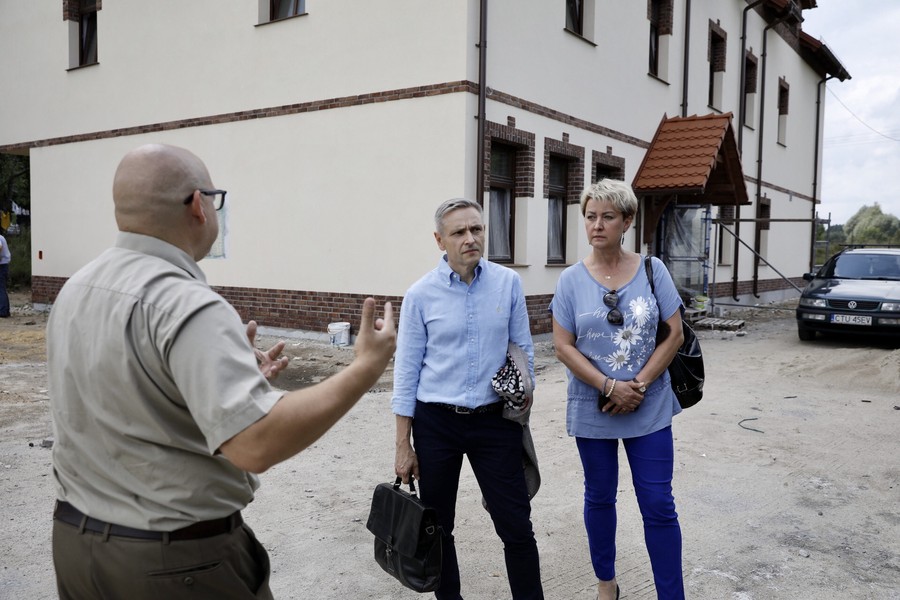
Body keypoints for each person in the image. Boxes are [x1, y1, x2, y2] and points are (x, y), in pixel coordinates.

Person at [47, 143, 396, 600]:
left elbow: (126, 401)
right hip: (171, 566)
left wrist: (228, 383)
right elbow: (255, 445)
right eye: (215, 198)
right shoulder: (183, 302)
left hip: (78, 549)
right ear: (197, 205)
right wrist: (365, 367)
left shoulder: (78, 287)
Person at [392, 198, 544, 600]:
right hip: (436, 424)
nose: (471, 238)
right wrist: (402, 444)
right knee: (439, 527)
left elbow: (523, 350)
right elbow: (406, 374)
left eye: (476, 229)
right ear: (440, 240)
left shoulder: (508, 284)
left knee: (516, 525)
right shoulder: (420, 295)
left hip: (495, 422)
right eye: (459, 232)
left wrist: (520, 395)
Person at [549, 179, 686, 600]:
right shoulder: (571, 281)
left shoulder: (652, 270)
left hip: (649, 404)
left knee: (658, 504)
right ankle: (606, 583)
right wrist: (609, 385)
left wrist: (637, 386)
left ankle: (671, 594)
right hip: (594, 406)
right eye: (591, 216)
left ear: (627, 220)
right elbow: (562, 345)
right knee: (600, 499)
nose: (597, 225)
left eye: (608, 217)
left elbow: (675, 334)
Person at [0, 231, 10, 317]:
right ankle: (5, 310)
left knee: (0, 288)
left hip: (1, 265)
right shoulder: (1, 237)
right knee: (2, 288)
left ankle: (3, 311)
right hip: (4, 265)